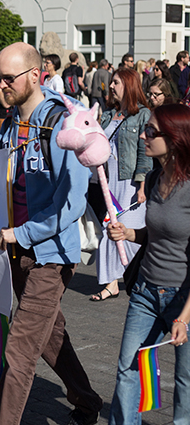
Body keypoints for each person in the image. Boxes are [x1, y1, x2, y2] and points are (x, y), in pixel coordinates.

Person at [0, 42, 102, 425]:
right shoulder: (8, 125)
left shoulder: (61, 124)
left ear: (34, 76)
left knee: (19, 352)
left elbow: (71, 202)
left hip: (50, 255)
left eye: (8, 78)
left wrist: (23, 233)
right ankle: (87, 401)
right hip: (17, 251)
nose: (0, 85)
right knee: (51, 337)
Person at [106, 103, 190, 425]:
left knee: (185, 380)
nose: (143, 135)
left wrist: (183, 318)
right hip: (145, 292)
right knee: (128, 368)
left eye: (151, 131)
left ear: (176, 138)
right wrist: (128, 232)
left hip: (184, 298)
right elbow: (158, 233)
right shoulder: (156, 178)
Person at [90, 68, 152, 302]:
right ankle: (112, 282)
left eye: (116, 82)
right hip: (107, 182)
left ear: (128, 85)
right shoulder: (107, 115)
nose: (111, 86)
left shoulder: (142, 115)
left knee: (126, 231)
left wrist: (142, 185)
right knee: (110, 230)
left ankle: (133, 277)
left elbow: (144, 152)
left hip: (130, 183)